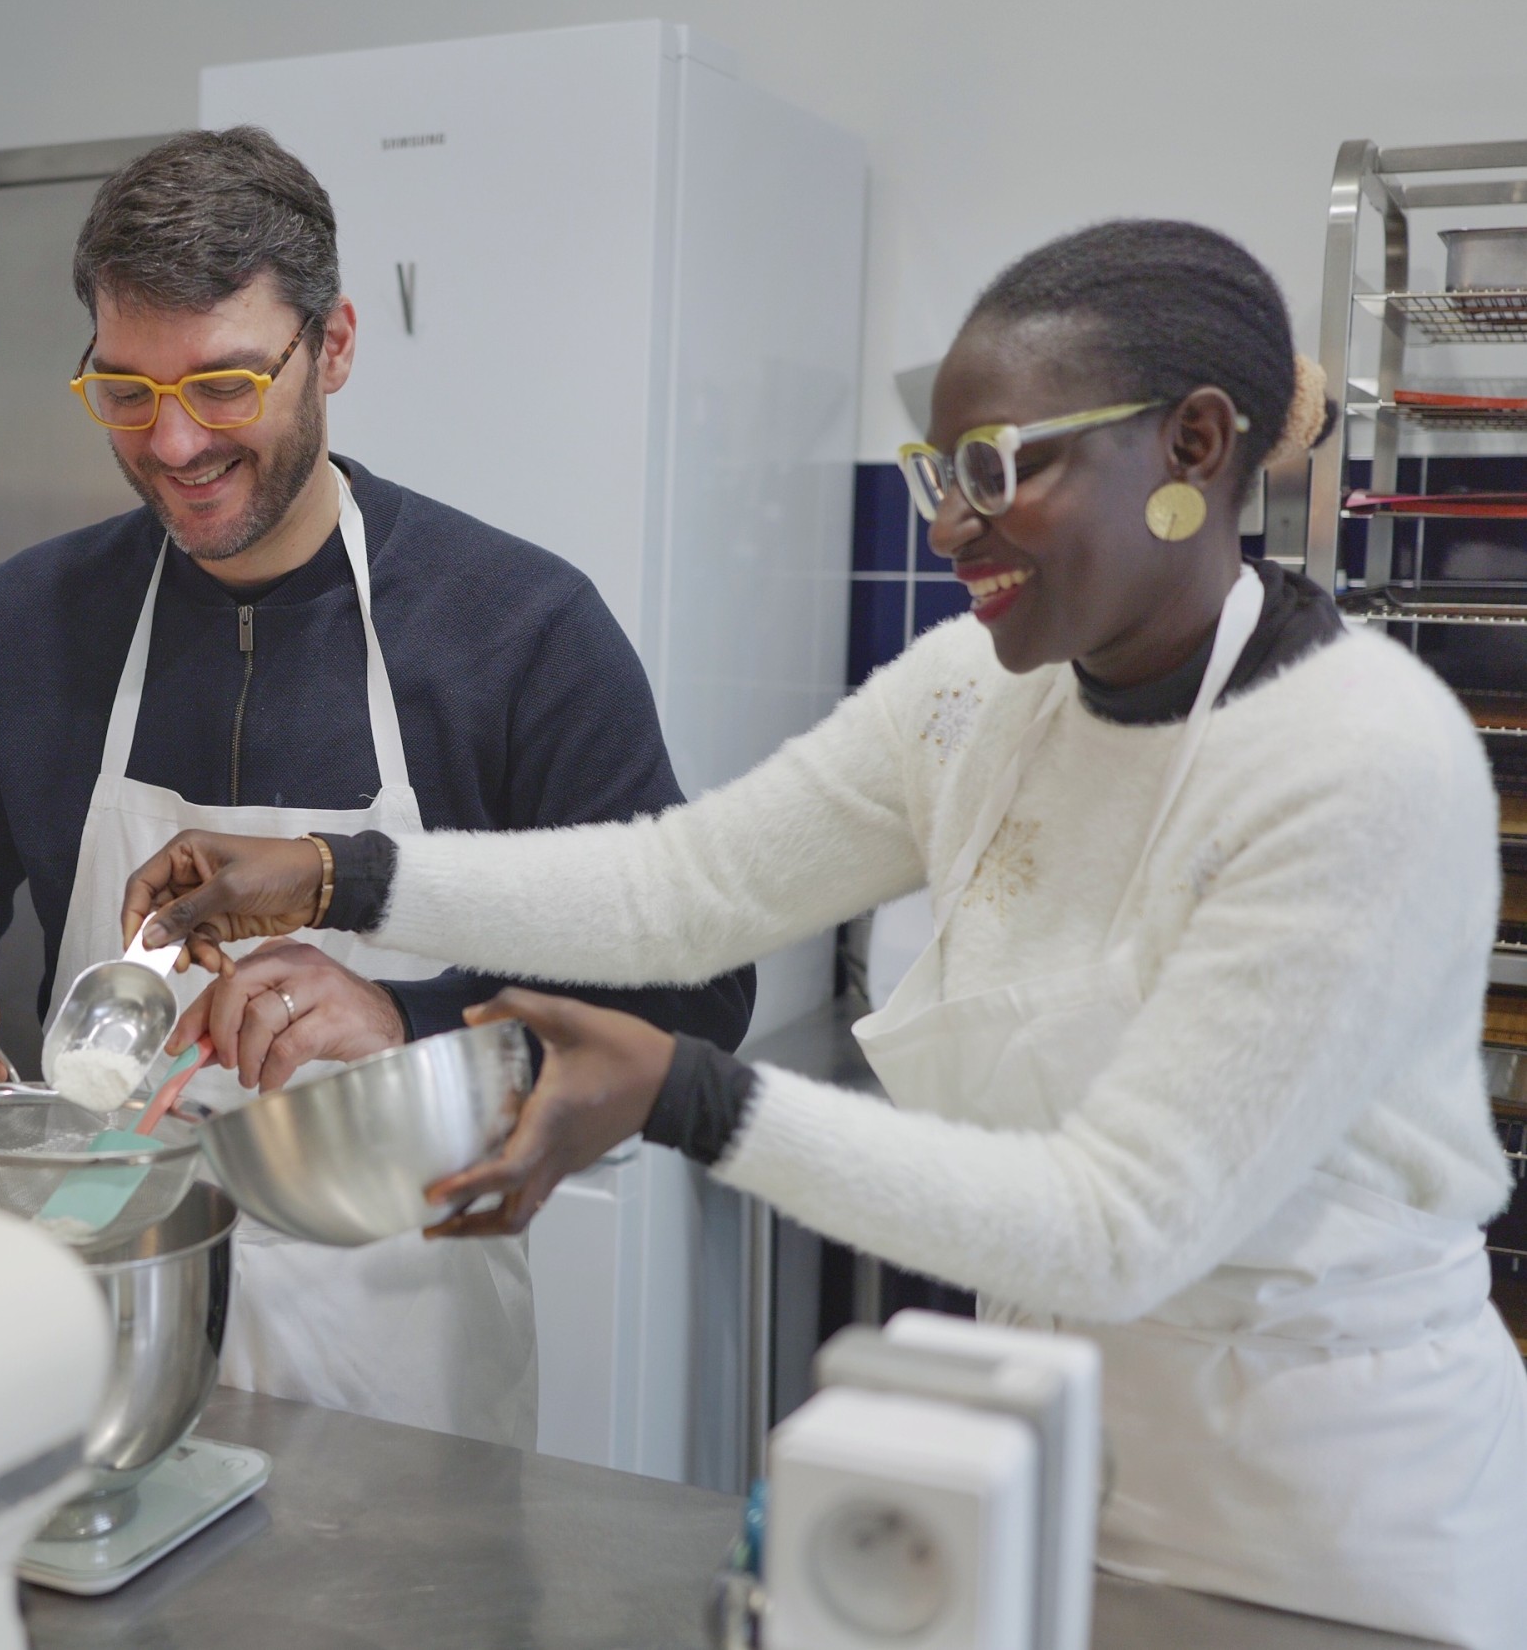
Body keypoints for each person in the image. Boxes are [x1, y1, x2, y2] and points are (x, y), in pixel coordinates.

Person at [126, 219, 1527, 1646]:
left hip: (1326, 1508)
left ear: (1194, 447)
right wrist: (336, 872)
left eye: (996, 472)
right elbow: (683, 885)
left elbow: (1118, 1227)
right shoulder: (977, 698)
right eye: (937, 472)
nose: (944, 530)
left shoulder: (1358, 763)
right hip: (1044, 1438)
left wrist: (685, 1093)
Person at [0, 128, 752, 1449]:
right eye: (125, 392)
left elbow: (698, 996)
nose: (175, 442)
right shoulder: (26, 623)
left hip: (402, 1378)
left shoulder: (517, 631)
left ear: (339, 345)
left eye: (225, 382)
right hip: (97, 1344)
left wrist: (408, 1021)